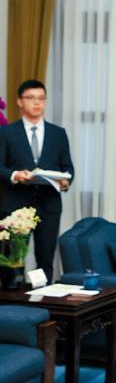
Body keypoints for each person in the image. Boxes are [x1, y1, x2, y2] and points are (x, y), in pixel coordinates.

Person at [0, 80, 74, 283]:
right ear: (20, 101)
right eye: (31, 98)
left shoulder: (58, 133)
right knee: (14, 259)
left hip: (48, 205)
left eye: (41, 98)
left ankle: (44, 298)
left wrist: (65, 182)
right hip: (16, 204)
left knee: (45, 259)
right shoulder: (6, 133)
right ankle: (11, 298)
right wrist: (15, 175)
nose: (37, 103)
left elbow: (68, 167)